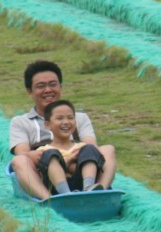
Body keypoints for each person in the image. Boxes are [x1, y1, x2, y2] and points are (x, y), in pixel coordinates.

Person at [9, 60, 116, 200]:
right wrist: (60, 158)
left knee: (108, 149)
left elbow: (91, 146)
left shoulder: (79, 118)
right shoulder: (21, 122)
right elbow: (24, 154)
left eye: (53, 84)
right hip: (45, 173)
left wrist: (73, 157)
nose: (48, 90)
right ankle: (49, 199)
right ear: (30, 92)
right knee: (19, 161)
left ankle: (97, 190)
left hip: (79, 169)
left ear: (60, 87)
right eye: (41, 86)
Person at [36, 100, 105, 195]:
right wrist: (68, 161)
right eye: (59, 118)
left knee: (90, 148)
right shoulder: (43, 150)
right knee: (50, 154)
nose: (66, 122)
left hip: (80, 183)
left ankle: (88, 187)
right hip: (54, 188)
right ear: (47, 125)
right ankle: (66, 193)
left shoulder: (81, 148)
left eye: (70, 118)